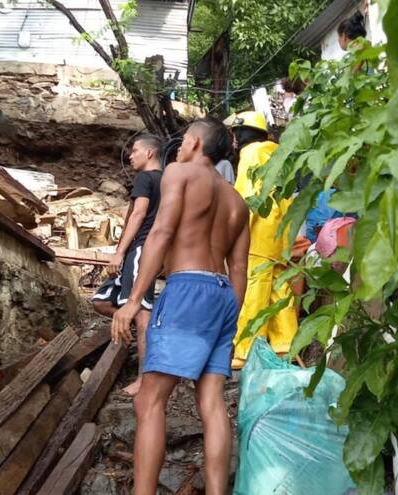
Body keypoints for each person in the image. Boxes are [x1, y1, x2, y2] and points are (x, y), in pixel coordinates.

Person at [111, 117, 249, 495]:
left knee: (150, 401)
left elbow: (163, 231)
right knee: (212, 401)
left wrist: (134, 300)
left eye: (184, 141)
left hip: (188, 285)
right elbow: (239, 268)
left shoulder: (180, 172)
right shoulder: (237, 201)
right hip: (223, 294)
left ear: (192, 143)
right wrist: (229, 321)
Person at [92, 134, 163, 396]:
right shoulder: (167, 181)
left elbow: (139, 214)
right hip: (143, 250)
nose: (130, 156)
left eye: (134, 151)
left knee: (142, 313)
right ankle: (147, 333)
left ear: (150, 154)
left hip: (141, 249)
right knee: (100, 301)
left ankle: (145, 379)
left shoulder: (147, 178)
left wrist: (119, 252)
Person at [224, 111, 296, 368]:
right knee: (279, 290)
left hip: (257, 236)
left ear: (241, 133)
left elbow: (246, 198)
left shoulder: (251, 154)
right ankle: (285, 345)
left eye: (234, 132)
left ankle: (246, 351)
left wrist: (231, 233)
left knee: (253, 291)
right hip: (278, 237)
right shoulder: (275, 154)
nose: (232, 139)